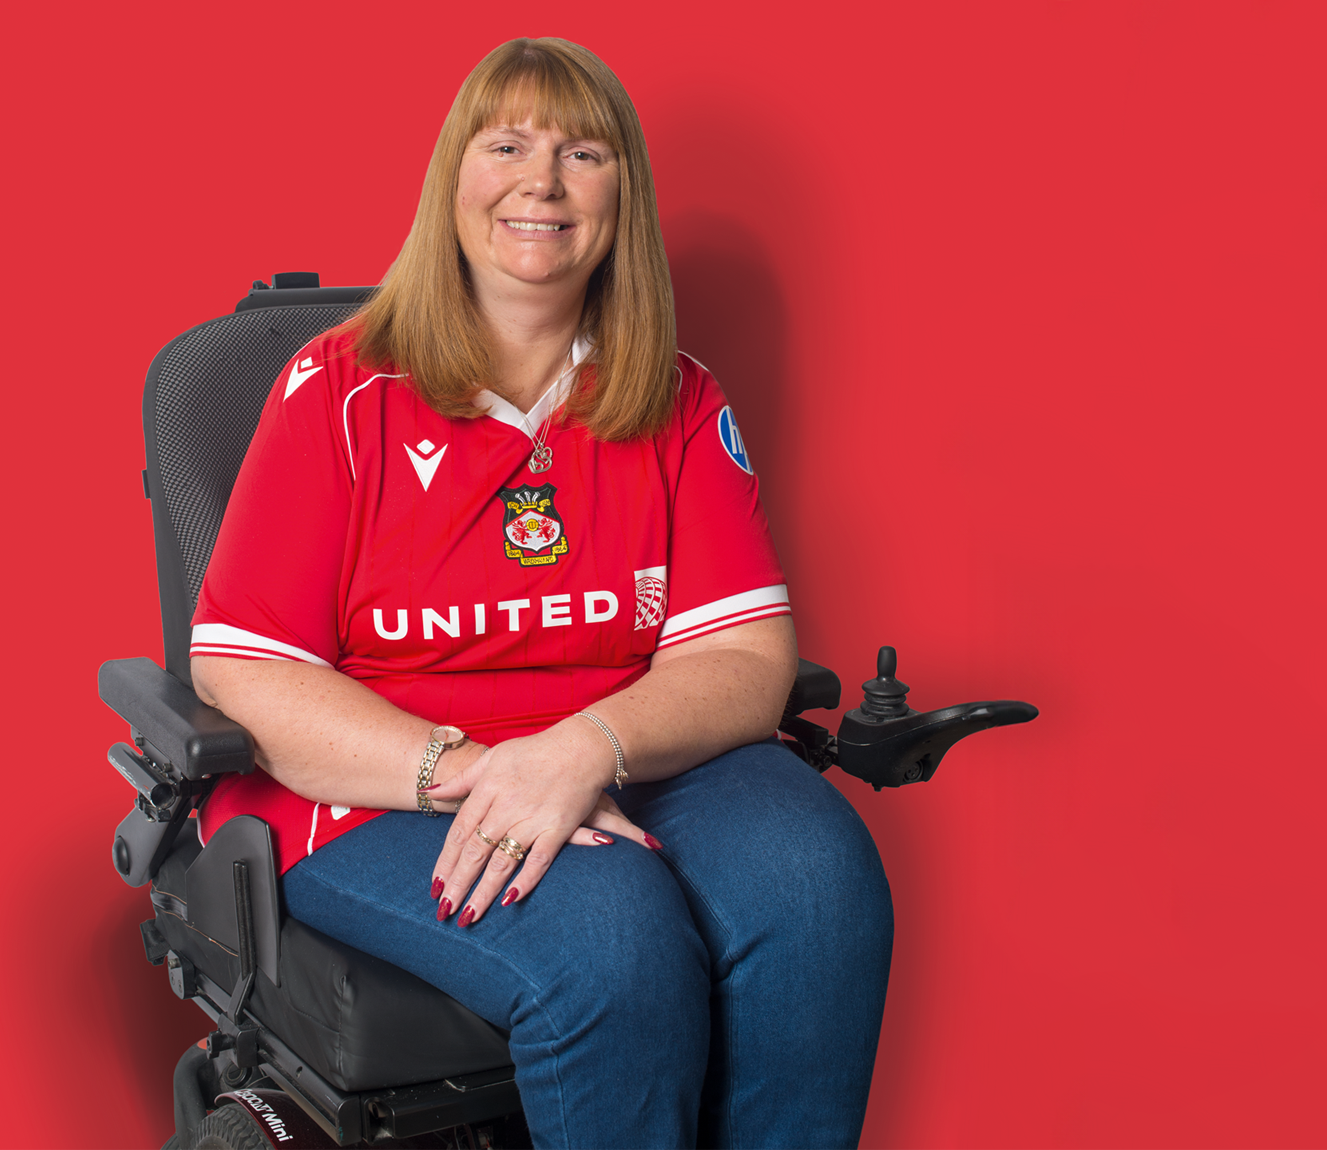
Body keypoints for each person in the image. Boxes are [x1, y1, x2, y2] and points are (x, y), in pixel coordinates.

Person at [187, 37, 892, 1150]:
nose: (543, 183)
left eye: (582, 154)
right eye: (506, 146)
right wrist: (484, 775)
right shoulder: (337, 389)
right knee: (612, 938)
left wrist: (582, 750)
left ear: (623, 195)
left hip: (627, 748)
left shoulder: (676, 397)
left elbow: (743, 658)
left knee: (818, 886)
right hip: (383, 780)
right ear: (453, 177)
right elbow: (246, 667)